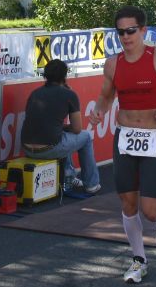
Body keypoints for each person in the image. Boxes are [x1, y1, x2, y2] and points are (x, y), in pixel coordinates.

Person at [89, 6, 156, 284]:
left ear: (143, 30)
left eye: (131, 31)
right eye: (120, 32)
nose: (126, 37)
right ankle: (139, 259)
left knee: (150, 210)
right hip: (124, 137)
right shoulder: (113, 64)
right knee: (128, 203)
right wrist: (99, 110)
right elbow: (106, 96)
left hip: (150, 138)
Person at [21, 59, 100, 193]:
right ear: (64, 76)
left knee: (63, 136)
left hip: (27, 148)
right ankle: (91, 184)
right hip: (49, 149)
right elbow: (77, 129)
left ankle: (69, 176)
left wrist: (61, 128)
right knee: (86, 136)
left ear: (45, 75)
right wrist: (64, 127)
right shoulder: (69, 94)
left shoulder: (34, 93)